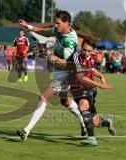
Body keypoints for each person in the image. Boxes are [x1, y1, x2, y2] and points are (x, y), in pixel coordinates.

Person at [16, 11, 111, 141]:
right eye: (55, 22)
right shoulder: (59, 31)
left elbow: (69, 65)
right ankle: (84, 122)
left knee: (43, 97)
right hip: (62, 71)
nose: (55, 25)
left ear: (67, 23)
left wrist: (52, 58)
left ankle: (26, 130)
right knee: (64, 100)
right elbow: (44, 32)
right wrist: (29, 26)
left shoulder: (69, 40)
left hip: (68, 73)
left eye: (58, 23)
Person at [70, 39, 116, 146]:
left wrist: (101, 76)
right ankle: (108, 122)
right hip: (76, 89)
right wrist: (100, 84)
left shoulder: (91, 57)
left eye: (89, 51)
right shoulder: (76, 56)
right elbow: (80, 77)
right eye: (84, 50)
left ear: (93, 50)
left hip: (88, 88)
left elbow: (91, 69)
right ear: (81, 47)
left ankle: (91, 138)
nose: (86, 53)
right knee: (95, 122)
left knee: (82, 107)